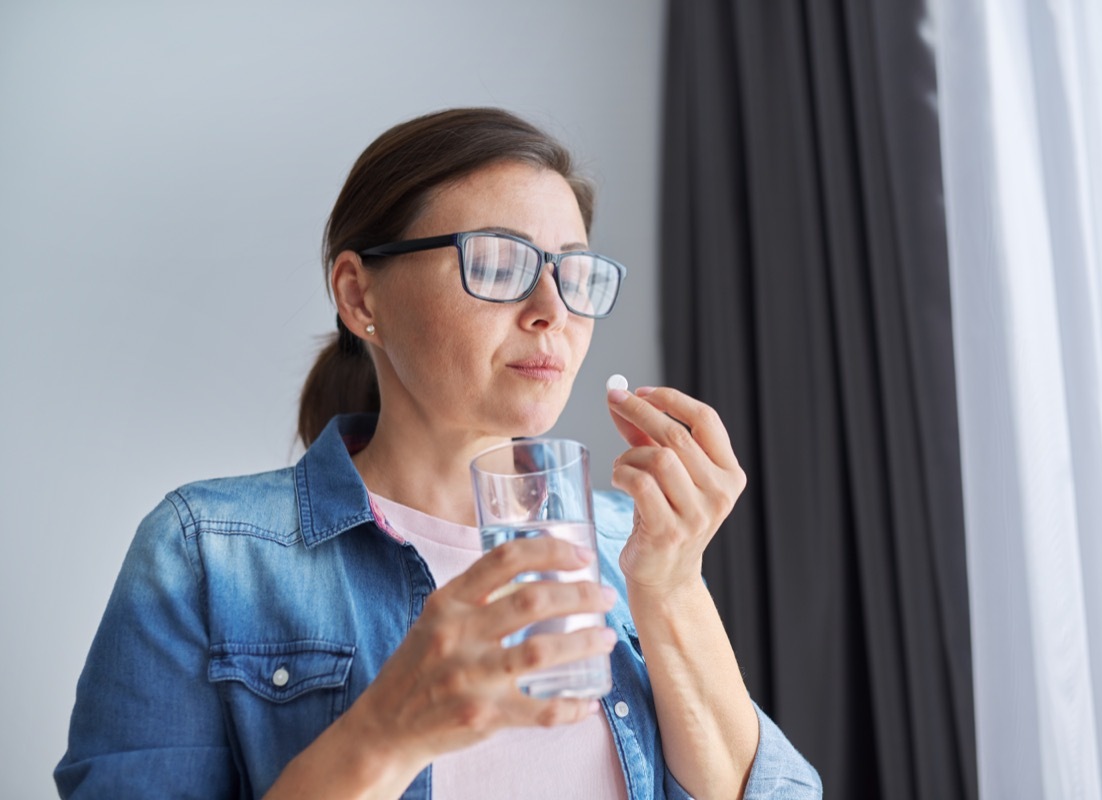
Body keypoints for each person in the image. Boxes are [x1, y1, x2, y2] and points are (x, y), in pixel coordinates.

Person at [54, 108, 822, 799]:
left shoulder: (628, 540)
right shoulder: (207, 554)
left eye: (573, 273)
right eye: (496, 263)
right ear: (361, 298)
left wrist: (673, 585)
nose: (552, 312)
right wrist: (384, 732)